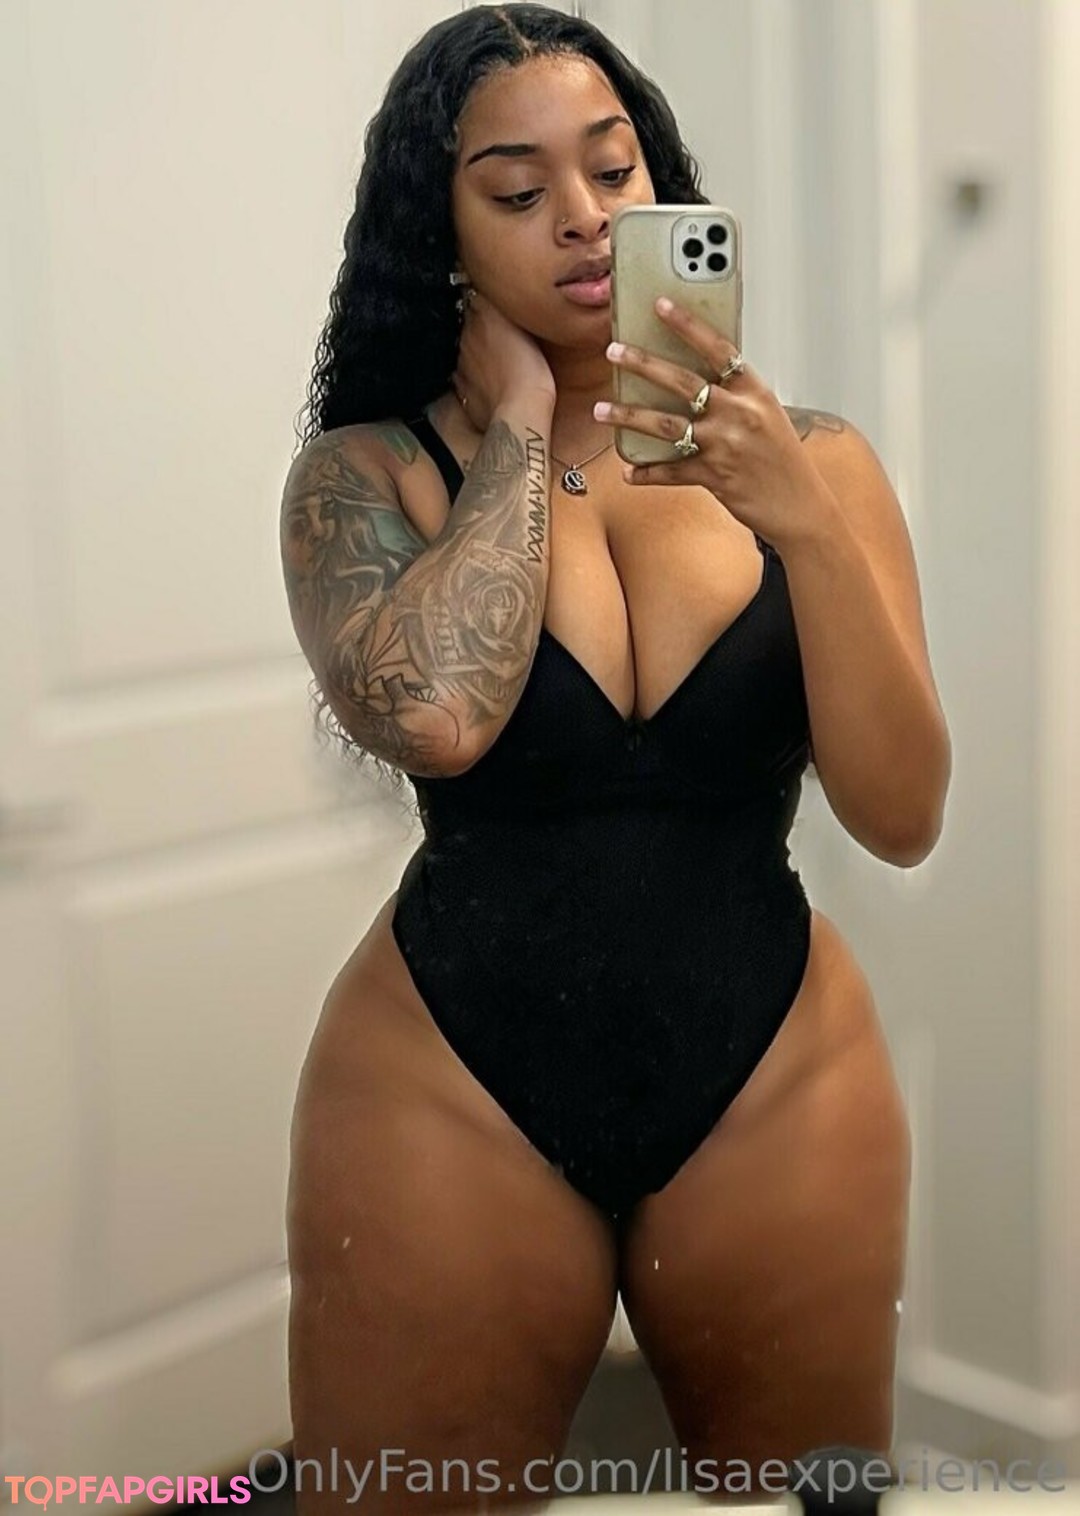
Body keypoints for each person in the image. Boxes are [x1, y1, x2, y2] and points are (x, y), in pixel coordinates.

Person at [279, 5, 951, 1511]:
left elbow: (903, 814)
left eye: (614, 169)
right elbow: (440, 717)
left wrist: (800, 519)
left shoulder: (819, 462)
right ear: (443, 237)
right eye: (519, 191)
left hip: (776, 1070)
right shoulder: (371, 475)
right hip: (450, 1080)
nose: (583, 216)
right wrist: (520, 431)